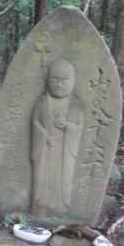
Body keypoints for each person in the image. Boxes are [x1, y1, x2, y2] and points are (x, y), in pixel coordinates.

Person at [31, 59, 84, 218]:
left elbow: (79, 126)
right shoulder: (42, 101)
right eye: (55, 79)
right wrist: (45, 136)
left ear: (73, 81)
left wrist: (67, 125)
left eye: (64, 80)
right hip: (46, 149)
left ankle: (61, 207)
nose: (59, 84)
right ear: (48, 80)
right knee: (43, 177)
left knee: (64, 178)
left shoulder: (76, 104)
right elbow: (35, 122)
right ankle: (40, 206)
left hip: (65, 150)